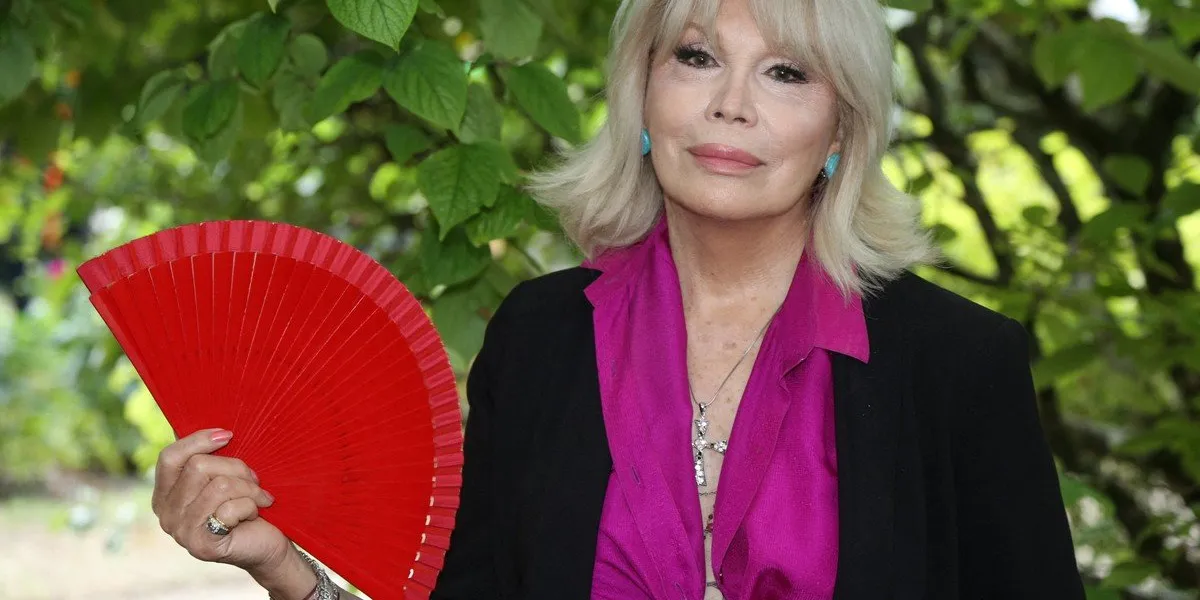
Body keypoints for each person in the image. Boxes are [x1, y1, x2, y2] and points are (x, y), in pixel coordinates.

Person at [150, 0, 1087, 598]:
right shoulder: (540, 337)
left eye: (786, 72)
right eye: (695, 56)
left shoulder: (959, 362)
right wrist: (283, 570)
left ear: (842, 130)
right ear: (641, 95)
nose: (731, 105)